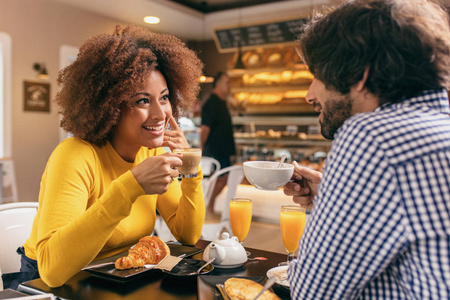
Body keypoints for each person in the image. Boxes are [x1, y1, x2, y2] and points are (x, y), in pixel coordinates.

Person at [14, 25, 205, 289]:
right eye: (142, 101)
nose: (161, 114)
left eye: (164, 98)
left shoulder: (153, 152)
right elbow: (52, 271)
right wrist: (130, 187)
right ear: (110, 106)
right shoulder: (75, 155)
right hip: (52, 284)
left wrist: (191, 169)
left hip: (119, 277)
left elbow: (187, 235)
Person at [283, 0, 450, 299]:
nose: (310, 94)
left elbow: (313, 291)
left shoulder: (371, 135)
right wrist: (336, 198)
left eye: (318, 74)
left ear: (359, 73)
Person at [200, 71, 236, 213]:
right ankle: (208, 205)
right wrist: (202, 147)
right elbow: (204, 129)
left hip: (223, 150)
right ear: (218, 84)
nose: (230, 86)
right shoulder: (211, 103)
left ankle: (209, 204)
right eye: (227, 83)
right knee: (220, 178)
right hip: (215, 150)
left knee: (223, 179)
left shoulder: (222, 102)